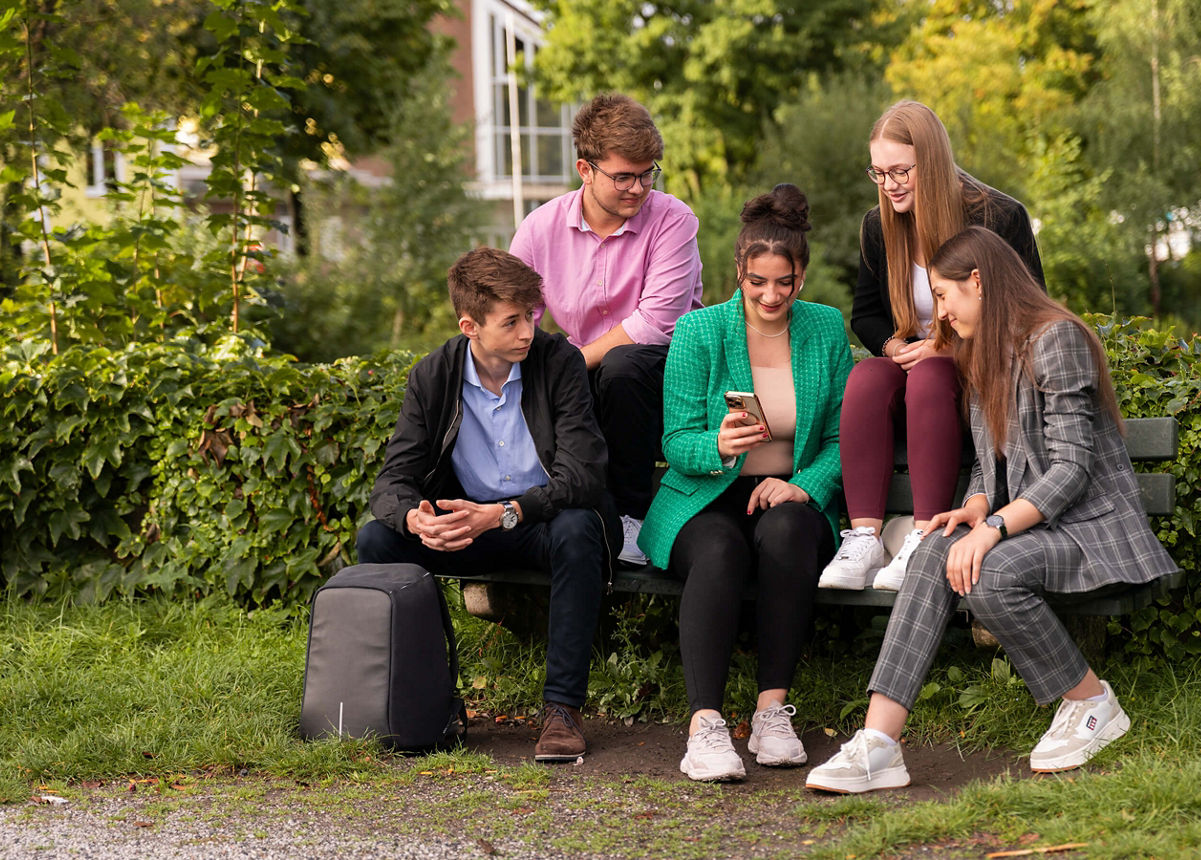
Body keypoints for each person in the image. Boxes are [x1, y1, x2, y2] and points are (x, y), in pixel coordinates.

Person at [805, 226, 1178, 793]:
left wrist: (997, 527)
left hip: (1090, 530)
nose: (942, 315)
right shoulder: (981, 353)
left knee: (989, 572)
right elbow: (989, 458)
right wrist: (976, 506)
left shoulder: (1057, 338)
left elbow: (1072, 469)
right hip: (1035, 527)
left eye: (945, 296)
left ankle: (1092, 702)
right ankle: (880, 743)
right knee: (935, 548)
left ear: (977, 282)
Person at [358, 247, 622, 763]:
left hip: (540, 521)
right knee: (378, 539)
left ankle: (562, 710)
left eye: (532, 315)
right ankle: (432, 700)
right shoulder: (433, 375)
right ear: (469, 325)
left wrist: (505, 513)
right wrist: (417, 518)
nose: (528, 330)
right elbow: (393, 481)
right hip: (468, 528)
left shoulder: (559, 362)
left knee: (578, 529)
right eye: (512, 321)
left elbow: (584, 476)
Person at [638, 184, 852, 782]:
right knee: (721, 548)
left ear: (802, 275)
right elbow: (675, 441)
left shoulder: (825, 329)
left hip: (787, 492)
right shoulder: (699, 330)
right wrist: (717, 444)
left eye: (785, 282)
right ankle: (704, 725)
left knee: (788, 534)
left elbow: (842, 439)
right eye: (758, 281)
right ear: (739, 271)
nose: (771, 295)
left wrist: (804, 485)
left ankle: (770, 712)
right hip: (705, 496)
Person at [820, 100, 1047, 592]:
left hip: (976, 374)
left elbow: (1029, 315)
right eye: (878, 173)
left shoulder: (998, 216)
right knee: (866, 376)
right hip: (915, 375)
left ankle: (924, 536)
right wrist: (891, 343)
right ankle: (863, 538)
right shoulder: (879, 226)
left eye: (900, 170)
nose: (889, 184)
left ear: (934, 160)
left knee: (928, 374)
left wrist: (950, 348)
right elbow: (866, 313)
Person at [510, 93, 704, 566]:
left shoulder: (673, 220)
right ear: (585, 169)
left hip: (663, 380)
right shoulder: (539, 230)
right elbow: (512, 317)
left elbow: (656, 324)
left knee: (620, 365)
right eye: (624, 176)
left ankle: (633, 518)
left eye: (648, 173)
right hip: (588, 378)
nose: (638, 188)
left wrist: (570, 363)